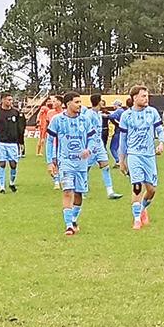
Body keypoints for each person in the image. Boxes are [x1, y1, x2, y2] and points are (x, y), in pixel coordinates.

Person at [46, 91, 98, 236]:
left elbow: (93, 138)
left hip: (81, 163)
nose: (79, 105)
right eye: (77, 102)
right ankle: (68, 225)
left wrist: (88, 149)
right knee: (68, 191)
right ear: (68, 103)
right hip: (65, 162)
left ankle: (73, 219)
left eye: (80, 102)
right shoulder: (58, 120)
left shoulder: (85, 120)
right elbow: (49, 141)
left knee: (79, 194)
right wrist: (50, 161)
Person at [118, 84, 164, 229]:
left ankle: (143, 208)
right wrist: (121, 160)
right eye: (143, 96)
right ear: (134, 98)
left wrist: (161, 143)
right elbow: (122, 140)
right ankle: (137, 219)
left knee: (151, 190)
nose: (146, 98)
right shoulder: (126, 116)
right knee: (137, 186)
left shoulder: (152, 112)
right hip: (134, 155)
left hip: (149, 156)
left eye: (147, 96)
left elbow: (160, 130)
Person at [83, 93, 124, 200]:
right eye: (101, 100)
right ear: (97, 101)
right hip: (90, 145)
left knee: (105, 166)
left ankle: (110, 192)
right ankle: (82, 191)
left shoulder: (98, 114)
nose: (103, 102)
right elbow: (85, 130)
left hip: (99, 144)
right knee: (85, 168)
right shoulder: (89, 114)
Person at [0, 93, 26, 192]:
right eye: (8, 100)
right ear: (3, 100)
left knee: (13, 164)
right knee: (2, 163)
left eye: (11, 100)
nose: (10, 102)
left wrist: (21, 142)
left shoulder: (15, 113)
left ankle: (12, 183)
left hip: (13, 142)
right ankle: (2, 187)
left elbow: (20, 128)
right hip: (1, 142)